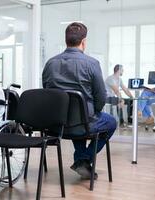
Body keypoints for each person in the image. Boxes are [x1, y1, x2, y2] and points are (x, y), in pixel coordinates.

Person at [42, 22, 116, 180]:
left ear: (66, 40)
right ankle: (83, 159)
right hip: (82, 125)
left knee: (78, 117)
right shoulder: (92, 64)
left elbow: (47, 93)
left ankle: (82, 158)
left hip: (56, 125)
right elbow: (101, 97)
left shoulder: (50, 63)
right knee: (111, 122)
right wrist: (93, 112)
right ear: (84, 41)